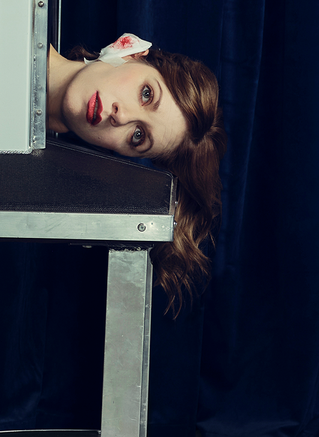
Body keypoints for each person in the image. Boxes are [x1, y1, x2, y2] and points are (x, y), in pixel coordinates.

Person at [46, 33, 226, 313]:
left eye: (138, 135)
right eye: (146, 94)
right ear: (129, 49)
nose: (122, 116)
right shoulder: (12, 6)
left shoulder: (23, 171)